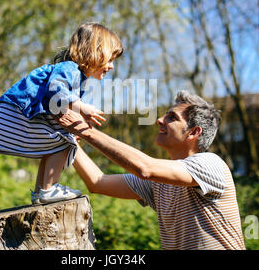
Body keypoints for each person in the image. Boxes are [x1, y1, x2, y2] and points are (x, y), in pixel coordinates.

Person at [56, 90, 246, 250]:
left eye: (172, 117)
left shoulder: (210, 164)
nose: (160, 120)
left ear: (194, 132)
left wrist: (85, 131)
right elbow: (98, 182)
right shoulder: (160, 183)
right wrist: (69, 140)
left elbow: (144, 167)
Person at [0, 22, 123, 204]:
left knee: (53, 146)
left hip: (14, 113)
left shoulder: (73, 74)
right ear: (94, 51)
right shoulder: (70, 69)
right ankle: (49, 189)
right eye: (110, 60)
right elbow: (57, 91)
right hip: (18, 113)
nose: (111, 66)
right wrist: (82, 107)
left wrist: (77, 116)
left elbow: (58, 103)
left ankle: (41, 191)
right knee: (64, 142)